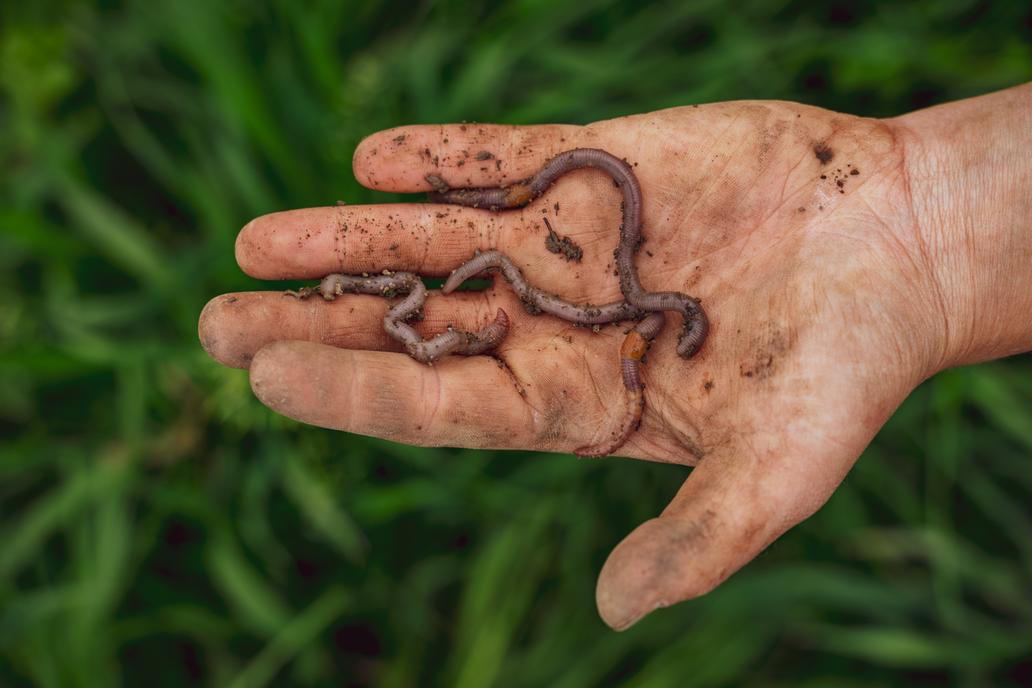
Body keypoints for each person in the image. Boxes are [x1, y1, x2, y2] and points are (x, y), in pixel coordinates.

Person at [198, 83, 1032, 630]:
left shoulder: (642, 304)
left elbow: (635, 301)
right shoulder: (603, 297)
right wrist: (930, 216)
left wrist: (924, 231)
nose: (676, 328)